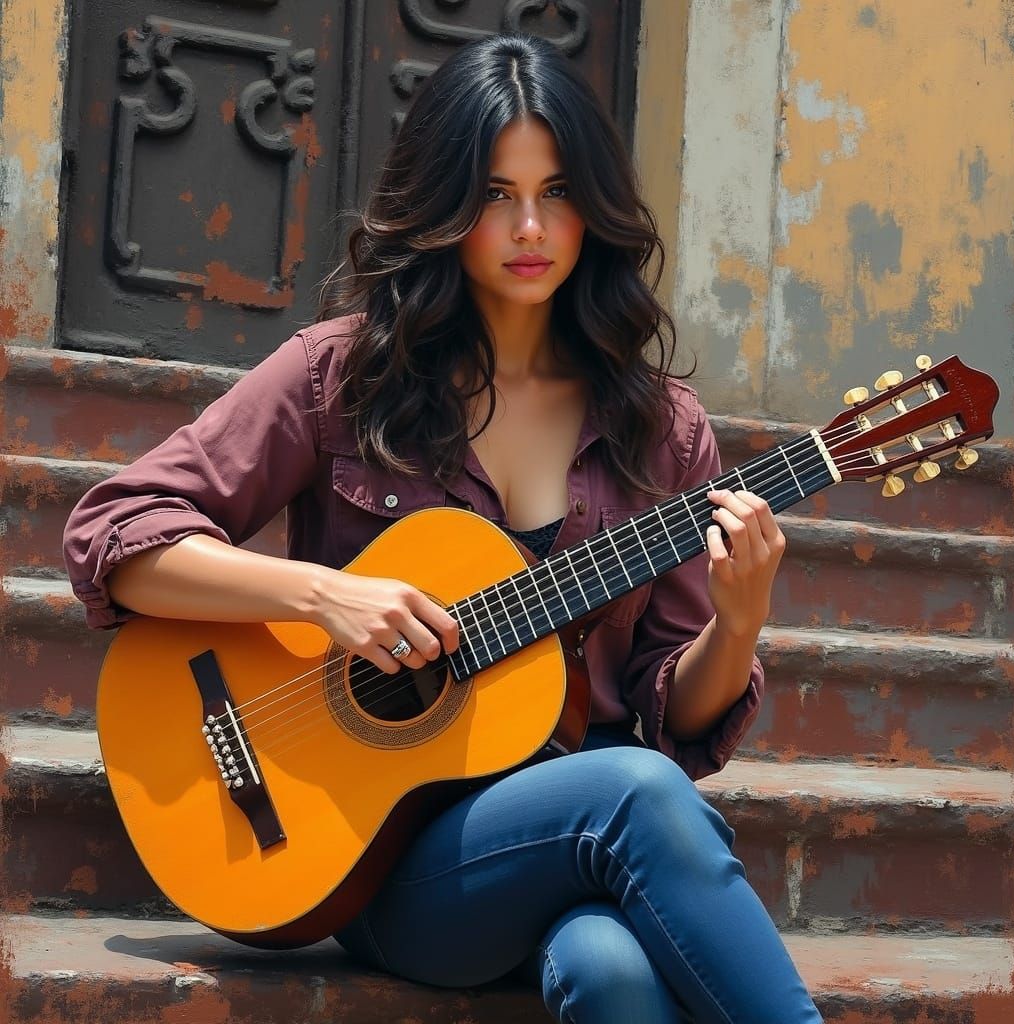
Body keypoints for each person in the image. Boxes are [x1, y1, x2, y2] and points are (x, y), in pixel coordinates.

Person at [63, 33, 822, 1024]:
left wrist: (737, 622)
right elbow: (114, 532)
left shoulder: (659, 428)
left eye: (555, 192)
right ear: (443, 203)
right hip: (380, 857)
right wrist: (323, 596)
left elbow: (675, 721)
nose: (528, 225)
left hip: (564, 823)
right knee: (634, 794)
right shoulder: (343, 375)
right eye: (494, 194)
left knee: (613, 973)